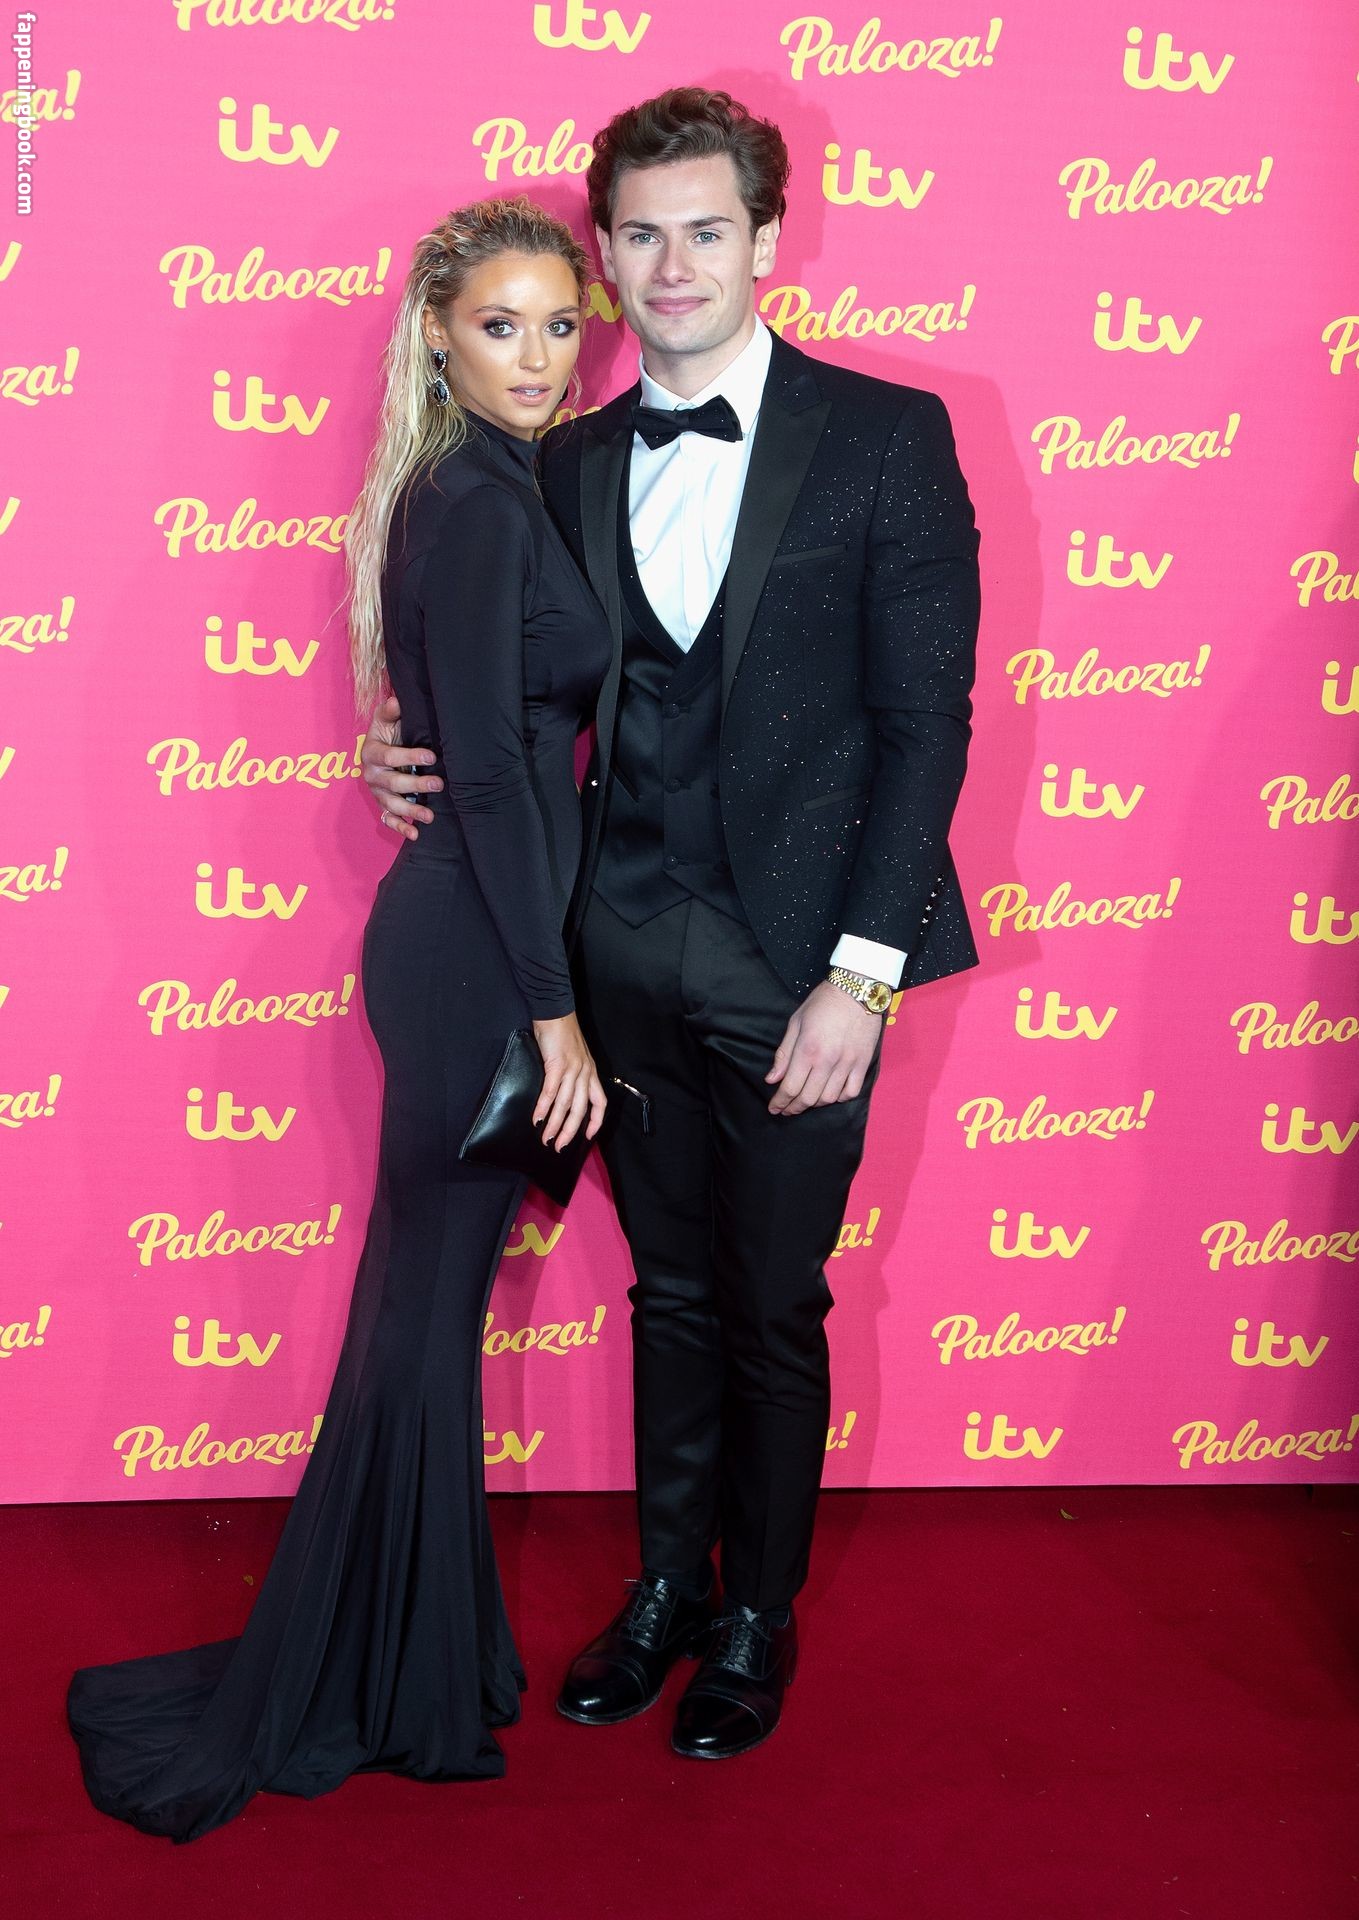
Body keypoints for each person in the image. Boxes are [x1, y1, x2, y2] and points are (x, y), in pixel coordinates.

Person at [363, 87, 982, 1761]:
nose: (672, 265)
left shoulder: (887, 435)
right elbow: (499, 690)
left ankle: (755, 1616)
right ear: (607, 252)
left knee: (772, 1301)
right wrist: (396, 749)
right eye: (639, 234)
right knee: (671, 1296)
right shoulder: (561, 459)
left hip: (802, 966)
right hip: (615, 946)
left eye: (707, 229)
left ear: (766, 240)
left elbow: (926, 727)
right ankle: (663, 1593)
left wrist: (864, 976)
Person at [65, 197, 611, 1842]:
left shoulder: (485, 485)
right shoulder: (481, 503)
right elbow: (494, 781)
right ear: (438, 334)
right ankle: (382, 1676)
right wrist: (555, 1016)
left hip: (471, 937)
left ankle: (401, 1654)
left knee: (419, 1315)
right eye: (500, 326)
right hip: (477, 958)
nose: (536, 358)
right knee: (423, 1317)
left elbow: (473, 740)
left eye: (558, 325)